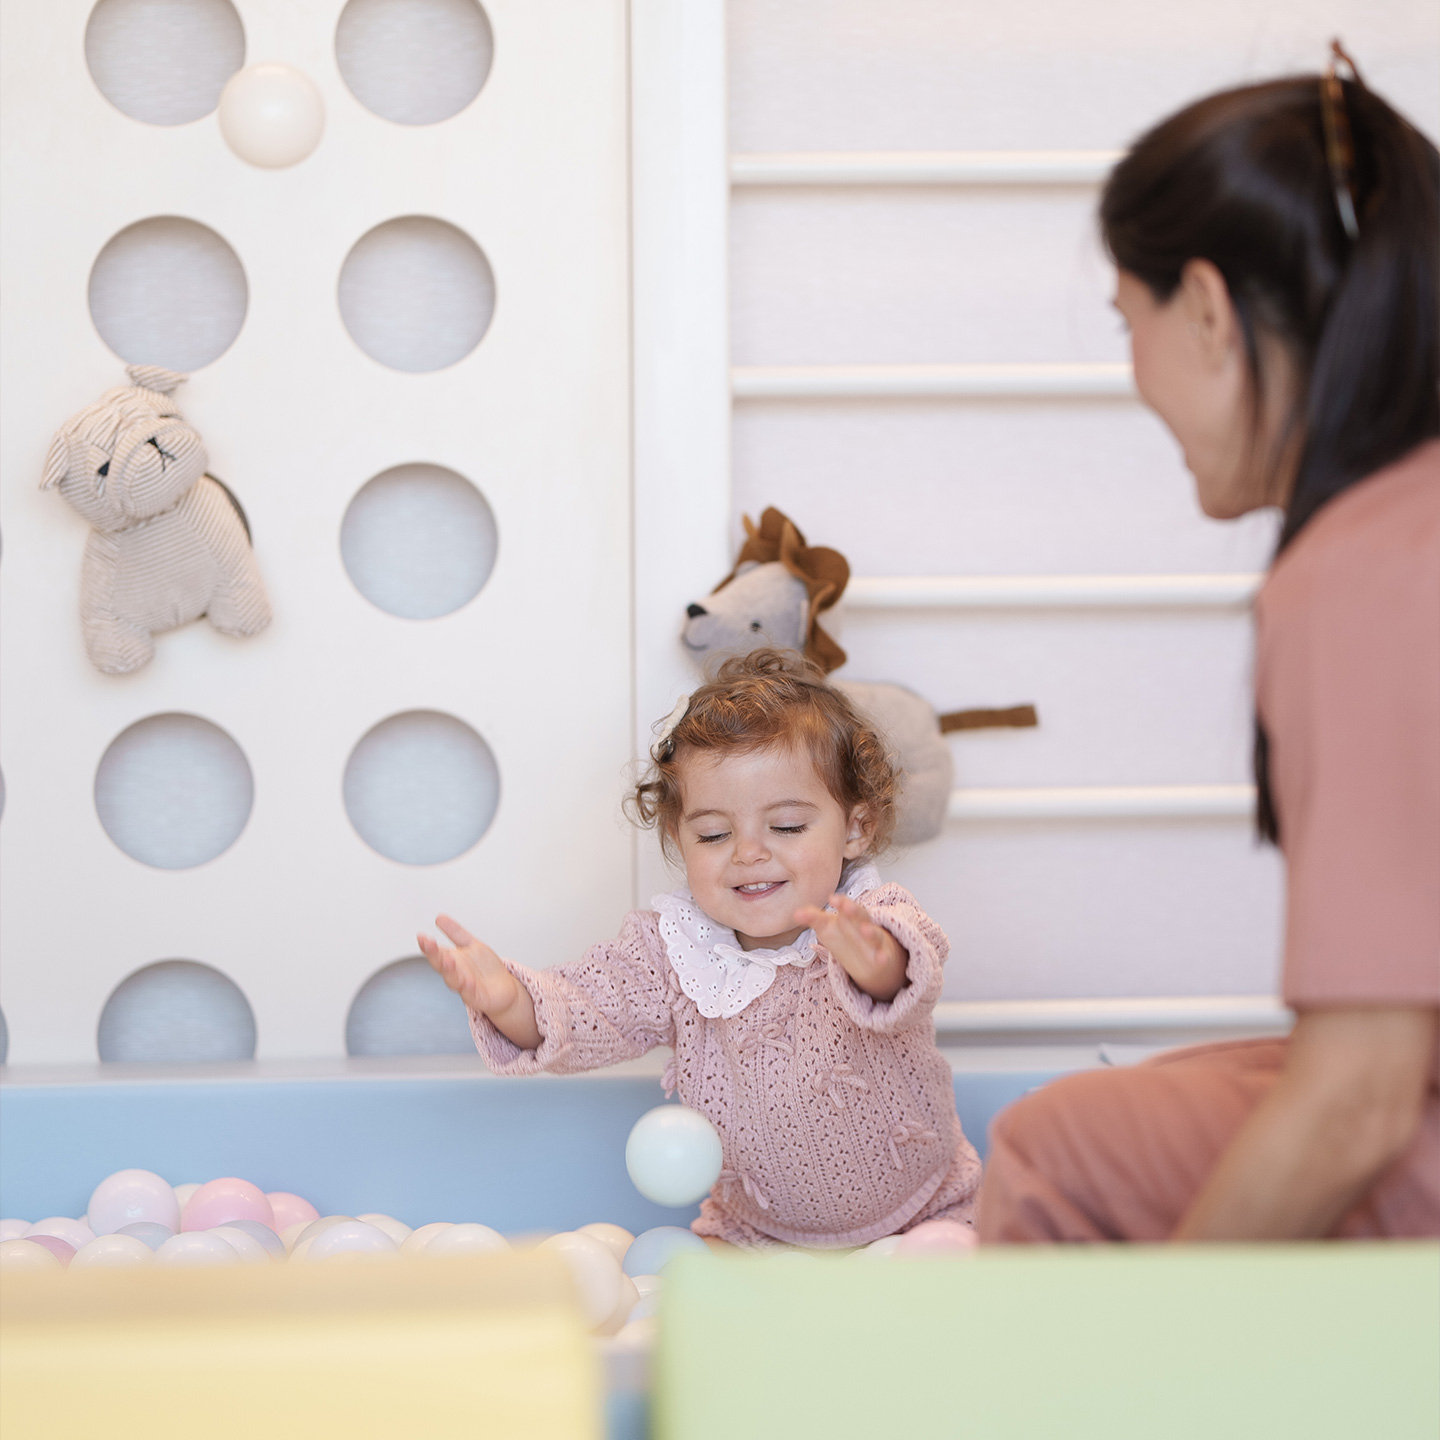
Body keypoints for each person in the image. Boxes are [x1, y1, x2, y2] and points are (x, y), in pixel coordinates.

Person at [977, 46, 1439, 1242]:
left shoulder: (1365, 573)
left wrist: (1167, 1338)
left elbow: (1364, 1099)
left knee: (1057, 1145)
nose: (1135, 378)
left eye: (1127, 323)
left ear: (1209, 311)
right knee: (1163, 1090)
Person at [419, 648, 980, 1248]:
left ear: (855, 828)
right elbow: (586, 1008)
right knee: (683, 1296)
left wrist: (875, 963)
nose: (748, 852)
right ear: (679, 837)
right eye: (713, 833)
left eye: (786, 826)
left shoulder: (870, 915)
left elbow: (907, 969)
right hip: (756, 1233)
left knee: (947, 1266)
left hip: (923, 1212)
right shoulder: (674, 952)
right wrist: (509, 999)